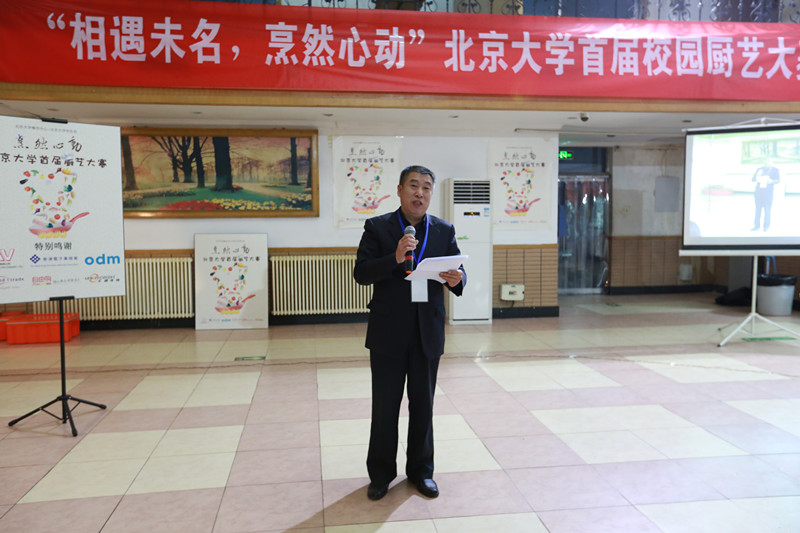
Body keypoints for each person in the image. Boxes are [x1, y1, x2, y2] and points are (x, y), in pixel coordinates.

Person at [353, 165, 465, 501]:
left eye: (426, 187)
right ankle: (381, 475)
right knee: (385, 407)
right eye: (413, 186)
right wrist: (395, 256)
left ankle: (421, 472)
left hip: (427, 332)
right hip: (388, 332)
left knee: (423, 406)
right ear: (400, 190)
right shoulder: (378, 227)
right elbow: (361, 273)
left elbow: (458, 272)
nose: (420, 193)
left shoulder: (444, 229)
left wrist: (457, 279)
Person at [752, 158, 780, 231]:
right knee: (757, 210)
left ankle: (766, 226)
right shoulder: (759, 169)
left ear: (771, 162)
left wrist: (771, 181)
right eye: (765, 161)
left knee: (767, 210)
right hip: (758, 193)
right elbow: (753, 179)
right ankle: (756, 226)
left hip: (768, 193)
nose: (766, 163)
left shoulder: (775, 170)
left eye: (768, 161)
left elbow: (778, 180)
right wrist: (757, 177)